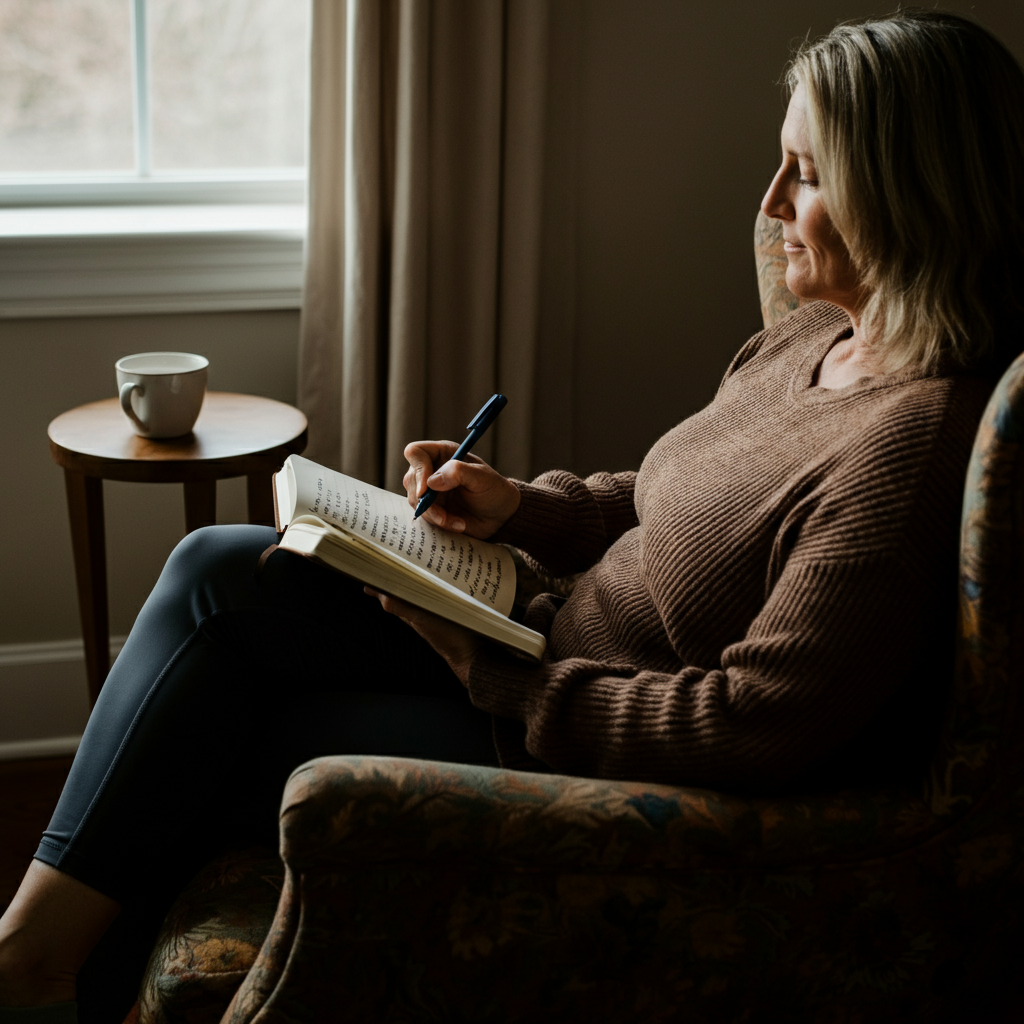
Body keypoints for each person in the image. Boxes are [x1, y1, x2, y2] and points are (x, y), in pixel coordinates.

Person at [3, 9, 1024, 1022]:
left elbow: (750, 728)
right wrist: (519, 507)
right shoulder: (813, 336)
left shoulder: (914, 450)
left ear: (904, 194)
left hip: (565, 731)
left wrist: (496, 670)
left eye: (801, 175)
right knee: (222, 566)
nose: (766, 204)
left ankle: (43, 972)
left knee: (233, 733)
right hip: (533, 633)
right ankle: (33, 959)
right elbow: (666, 500)